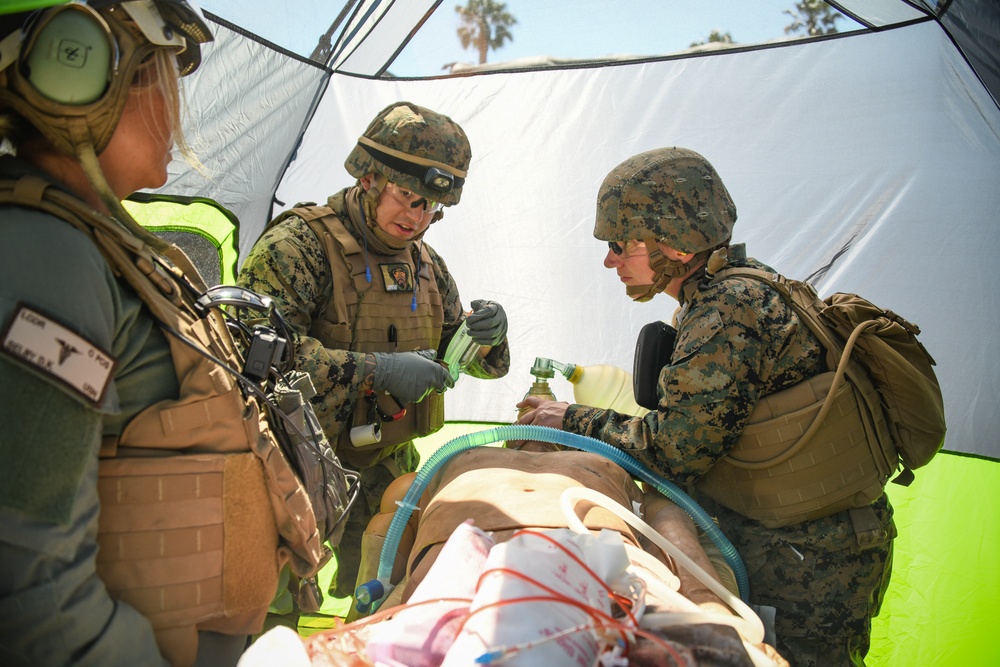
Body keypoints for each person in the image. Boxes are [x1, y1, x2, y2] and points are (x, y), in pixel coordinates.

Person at [0, 2, 331, 665]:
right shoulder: (49, 254)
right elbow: (30, 578)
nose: (176, 104)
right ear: (77, 76)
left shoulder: (102, 241)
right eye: (160, 73)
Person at [516, 147, 895, 666]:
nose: (610, 260)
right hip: (804, 545)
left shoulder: (728, 309)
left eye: (621, 245)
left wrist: (569, 418)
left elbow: (676, 453)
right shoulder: (734, 290)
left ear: (672, 244)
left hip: (809, 564)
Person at [236, 101, 511, 605]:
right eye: (406, 197)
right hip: (291, 463)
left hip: (384, 463)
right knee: (268, 607)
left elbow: (462, 354)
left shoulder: (427, 263)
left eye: (431, 207)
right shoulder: (298, 246)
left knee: (387, 601)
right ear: (368, 179)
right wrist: (376, 370)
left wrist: (488, 338)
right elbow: (256, 354)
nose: (417, 217)